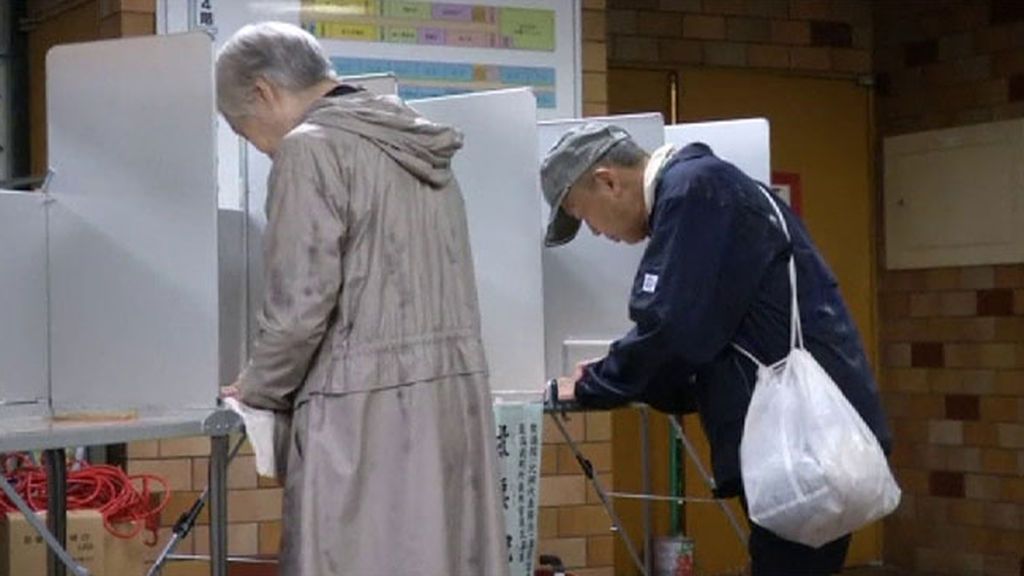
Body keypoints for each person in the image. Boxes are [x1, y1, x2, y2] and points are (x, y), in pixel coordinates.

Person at [215, 22, 508, 576]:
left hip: (362, 415)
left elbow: (300, 309)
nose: (254, 143)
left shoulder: (310, 151)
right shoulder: (419, 144)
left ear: (264, 93)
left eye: (241, 127)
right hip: (453, 404)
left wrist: (256, 387)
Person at [542, 123, 892, 576]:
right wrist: (625, 374)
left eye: (583, 214)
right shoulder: (708, 188)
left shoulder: (695, 192)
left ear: (609, 181)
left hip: (800, 441)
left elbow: (672, 329)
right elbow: (701, 342)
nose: (594, 232)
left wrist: (595, 382)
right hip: (812, 432)